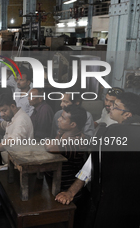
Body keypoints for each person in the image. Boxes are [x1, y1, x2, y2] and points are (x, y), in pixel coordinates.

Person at [55, 92, 140, 228]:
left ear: (127, 115)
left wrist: (71, 192)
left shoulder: (110, 133)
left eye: (116, 106)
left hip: (108, 200)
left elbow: (90, 167)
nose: (110, 108)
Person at [45, 105, 87, 192]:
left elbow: (50, 147)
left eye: (63, 118)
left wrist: (48, 141)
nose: (58, 119)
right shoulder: (63, 133)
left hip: (64, 190)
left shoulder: (77, 142)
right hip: (52, 182)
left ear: (73, 124)